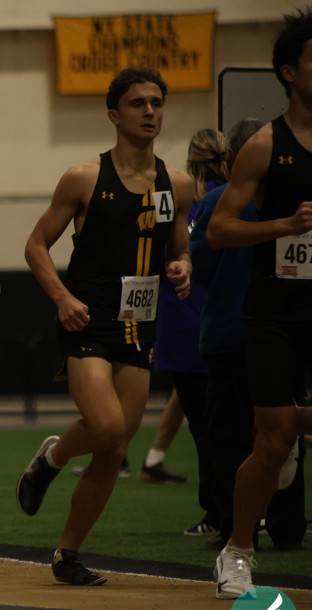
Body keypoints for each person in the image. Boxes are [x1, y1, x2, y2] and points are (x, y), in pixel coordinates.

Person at [19, 68, 193, 585]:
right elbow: (35, 245)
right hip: (88, 320)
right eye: (138, 103)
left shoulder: (178, 184)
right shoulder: (85, 177)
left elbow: (179, 250)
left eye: (156, 102)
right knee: (108, 426)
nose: (150, 111)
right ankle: (51, 458)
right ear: (114, 114)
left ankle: (66, 555)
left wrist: (182, 267)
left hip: (139, 326)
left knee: (115, 448)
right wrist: (62, 297)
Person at [207, 8, 312, 599]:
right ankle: (238, 550)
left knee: (283, 431)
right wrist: (283, 225)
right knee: (270, 444)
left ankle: (293, 426)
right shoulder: (266, 145)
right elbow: (220, 229)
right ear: (289, 72)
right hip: (276, 312)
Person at [191, 118, 307, 555]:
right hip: (288, 328)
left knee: (231, 437)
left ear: (232, 157)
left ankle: (233, 529)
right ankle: (288, 526)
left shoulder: (219, 200)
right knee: (285, 430)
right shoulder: (294, 200)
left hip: (232, 330)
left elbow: (202, 267)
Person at [151, 129, 228, 536]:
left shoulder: (181, 204)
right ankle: (256, 510)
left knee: (205, 431)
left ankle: (218, 514)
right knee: (240, 427)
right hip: (232, 325)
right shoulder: (238, 199)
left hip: (185, 329)